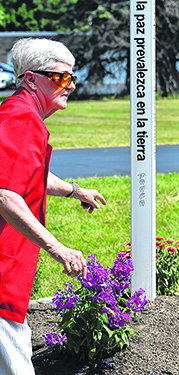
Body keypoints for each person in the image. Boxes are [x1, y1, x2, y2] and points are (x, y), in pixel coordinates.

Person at [0, 38, 106, 375]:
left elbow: (26, 173)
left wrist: (75, 191)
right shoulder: (22, 118)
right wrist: (57, 248)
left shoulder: (17, 112)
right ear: (31, 79)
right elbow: (5, 193)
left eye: (72, 78)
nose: (70, 86)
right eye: (60, 77)